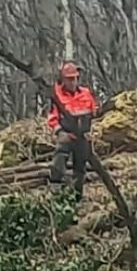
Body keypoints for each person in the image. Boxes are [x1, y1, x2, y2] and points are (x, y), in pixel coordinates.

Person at [47, 61, 113, 199]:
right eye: (69, 79)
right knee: (59, 160)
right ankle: (55, 191)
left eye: (74, 78)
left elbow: (94, 113)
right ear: (63, 79)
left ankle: (77, 196)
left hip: (84, 135)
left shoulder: (86, 93)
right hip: (67, 134)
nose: (72, 82)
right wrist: (60, 132)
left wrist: (94, 130)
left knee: (80, 167)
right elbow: (52, 118)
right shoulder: (57, 96)